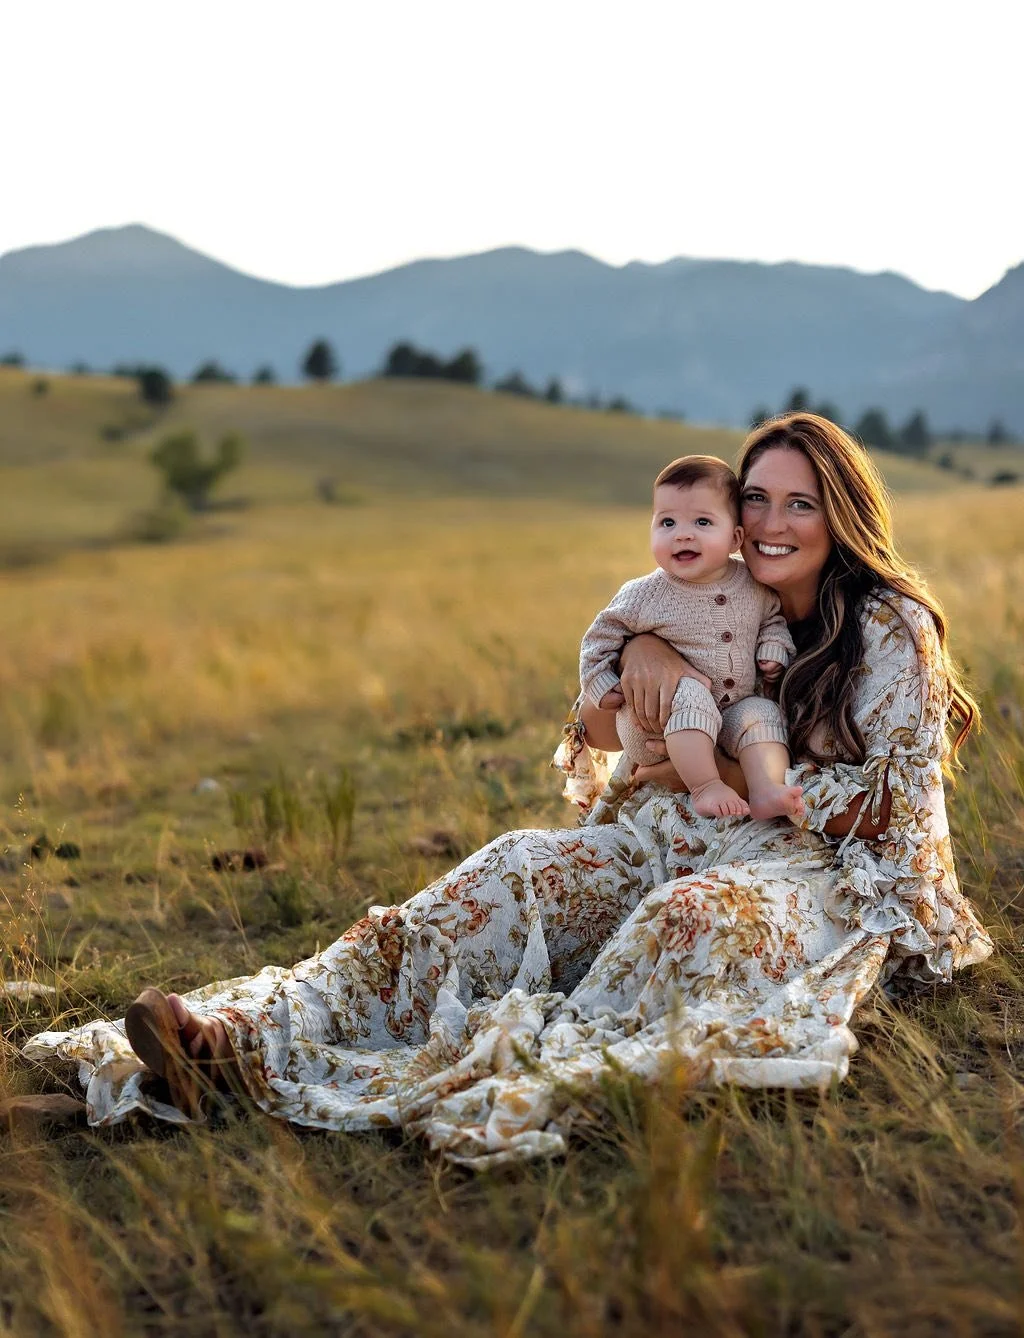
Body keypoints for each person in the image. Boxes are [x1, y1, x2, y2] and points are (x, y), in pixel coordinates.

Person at [25, 414, 993, 1169]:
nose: (772, 524)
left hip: (835, 876)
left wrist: (743, 774)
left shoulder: (887, 623)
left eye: (801, 504)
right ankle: (237, 1039)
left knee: (690, 918)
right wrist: (642, 656)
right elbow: (608, 731)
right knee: (513, 867)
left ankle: (495, 1069)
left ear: (843, 514)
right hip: (680, 826)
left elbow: (896, 806)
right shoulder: (694, 595)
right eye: (759, 500)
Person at [578, 453, 802, 821]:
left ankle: (765, 789)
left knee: (761, 713)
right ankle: (705, 786)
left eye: (702, 521)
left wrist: (773, 646)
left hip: (729, 714)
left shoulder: (753, 585)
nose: (682, 533)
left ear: (735, 537)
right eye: (667, 522)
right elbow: (599, 638)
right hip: (657, 725)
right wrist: (603, 683)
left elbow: (772, 620)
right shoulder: (645, 593)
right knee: (690, 692)